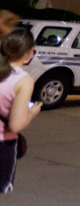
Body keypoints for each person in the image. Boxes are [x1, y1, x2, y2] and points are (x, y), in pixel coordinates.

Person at [0, 28, 43, 193]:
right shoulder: (23, 80)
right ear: (28, 53)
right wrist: (31, 113)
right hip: (3, 143)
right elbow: (15, 125)